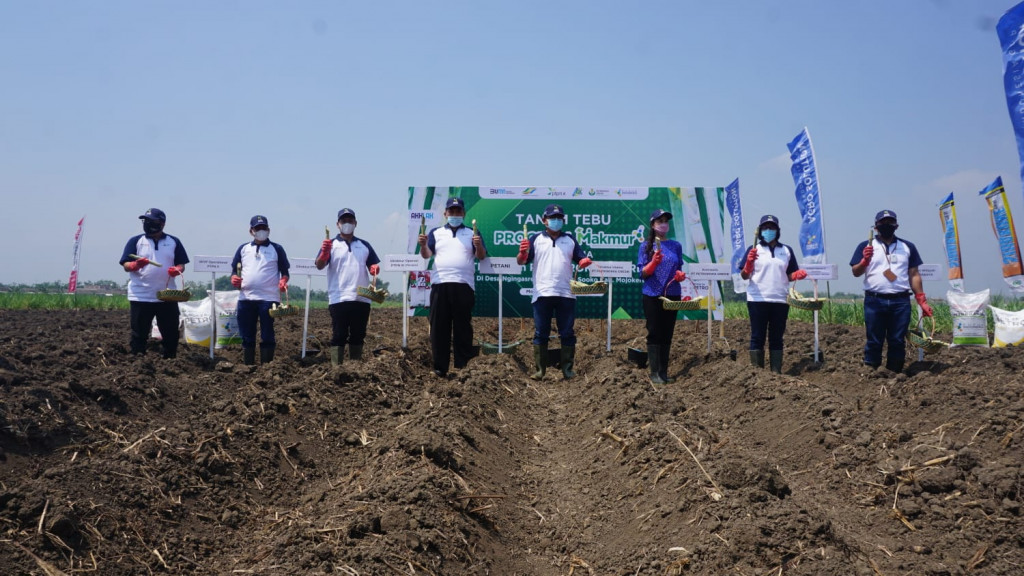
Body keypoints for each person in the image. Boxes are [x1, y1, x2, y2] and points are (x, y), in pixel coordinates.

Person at [851, 210, 932, 374]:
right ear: (876, 227)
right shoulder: (866, 246)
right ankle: (871, 370)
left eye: (890, 222)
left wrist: (921, 299)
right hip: (874, 300)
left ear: (896, 226)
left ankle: (894, 372)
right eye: (883, 223)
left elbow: (914, 274)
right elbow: (856, 272)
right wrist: (864, 261)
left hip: (900, 301)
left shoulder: (907, 247)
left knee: (897, 340)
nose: (886, 226)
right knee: (874, 339)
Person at [517, 203, 592, 380]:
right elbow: (521, 262)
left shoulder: (570, 240)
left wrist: (584, 261)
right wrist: (521, 253)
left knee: (567, 332)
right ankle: (540, 370)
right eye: (552, 218)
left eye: (559, 218)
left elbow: (581, 259)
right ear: (544, 221)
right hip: (542, 293)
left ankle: (567, 369)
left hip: (566, 293)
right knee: (540, 332)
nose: (556, 221)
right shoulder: (535, 239)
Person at [418, 197, 487, 377]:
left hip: (464, 285)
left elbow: (481, 256)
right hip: (440, 284)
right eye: (451, 211)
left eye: (458, 211)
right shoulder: (436, 233)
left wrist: (478, 246)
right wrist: (423, 245)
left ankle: (462, 366)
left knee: (463, 327)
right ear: (445, 214)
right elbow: (426, 255)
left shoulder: (473, 233)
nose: (455, 214)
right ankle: (440, 367)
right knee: (439, 327)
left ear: (463, 213)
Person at [739, 215, 807, 373]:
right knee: (757, 336)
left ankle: (776, 373)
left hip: (780, 300)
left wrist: (796, 275)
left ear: (778, 230)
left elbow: (789, 274)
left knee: (777, 338)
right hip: (757, 299)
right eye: (765, 227)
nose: (768, 230)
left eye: (772, 227)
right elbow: (744, 275)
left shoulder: (786, 250)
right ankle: (757, 373)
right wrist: (748, 264)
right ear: (760, 230)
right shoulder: (754, 249)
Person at [118, 208, 190, 358]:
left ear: (162, 224)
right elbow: (125, 263)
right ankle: (138, 359)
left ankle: (170, 359)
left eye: (152, 222)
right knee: (139, 331)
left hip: (167, 295)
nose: (148, 224)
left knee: (170, 331)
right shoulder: (136, 241)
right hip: (141, 295)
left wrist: (176, 270)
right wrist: (134, 265)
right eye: (146, 221)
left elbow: (181, 264)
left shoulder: (173, 242)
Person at [316, 208, 381, 367]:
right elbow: (319, 265)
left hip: (362, 298)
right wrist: (324, 253)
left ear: (355, 223)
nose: (347, 224)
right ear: (338, 224)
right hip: (339, 297)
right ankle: (336, 368)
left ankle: (355, 367)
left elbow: (373, 264)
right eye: (343, 221)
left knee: (358, 335)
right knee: (339, 335)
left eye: (350, 221)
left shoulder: (364, 245)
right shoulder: (330, 244)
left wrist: (374, 269)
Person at [230, 215, 291, 366]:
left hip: (268, 298)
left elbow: (285, 272)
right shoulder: (243, 249)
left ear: (269, 230)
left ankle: (267, 366)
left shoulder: (276, 249)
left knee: (267, 333)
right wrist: (233, 279)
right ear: (251, 231)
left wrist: (283, 281)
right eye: (258, 229)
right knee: (247, 334)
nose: (261, 231)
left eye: (264, 228)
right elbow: (234, 270)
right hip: (246, 297)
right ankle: (248, 365)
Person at [637, 209, 688, 384]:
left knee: (667, 333)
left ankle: (663, 372)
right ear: (652, 225)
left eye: (666, 221)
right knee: (654, 332)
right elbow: (642, 273)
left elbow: (679, 268)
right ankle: (654, 373)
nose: (663, 224)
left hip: (672, 294)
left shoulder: (676, 246)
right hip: (652, 293)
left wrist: (680, 275)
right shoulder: (646, 246)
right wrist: (654, 262)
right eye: (659, 221)